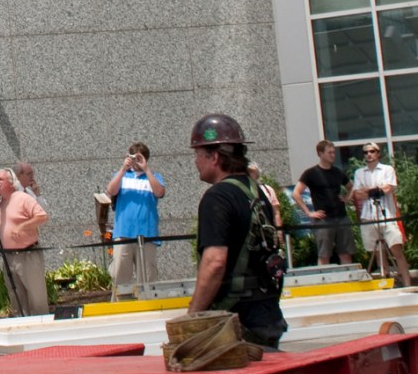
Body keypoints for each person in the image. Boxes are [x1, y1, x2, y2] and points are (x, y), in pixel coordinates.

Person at [186, 112, 287, 348]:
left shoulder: (217, 197)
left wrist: (193, 318)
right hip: (266, 315)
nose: (195, 161)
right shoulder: (256, 191)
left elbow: (214, 262)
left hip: (238, 325)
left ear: (214, 157)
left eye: (198, 154)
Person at [102, 144, 164, 298]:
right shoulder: (121, 175)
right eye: (133, 158)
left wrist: (146, 169)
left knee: (148, 277)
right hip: (124, 233)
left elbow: (159, 192)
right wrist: (124, 169)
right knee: (120, 276)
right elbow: (111, 190)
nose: (136, 162)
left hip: (147, 235)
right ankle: (121, 305)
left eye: (139, 158)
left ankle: (148, 304)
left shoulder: (154, 177)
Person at [0, 166, 49, 317]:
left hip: (28, 255)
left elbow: (42, 216)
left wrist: (23, 226)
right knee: (17, 300)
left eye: (1, 179)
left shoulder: (23, 198)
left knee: (36, 299)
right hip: (9, 258)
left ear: (11, 182)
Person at [352, 141, 410, 289]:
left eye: (372, 151)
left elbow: (386, 189)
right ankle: (386, 282)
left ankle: (407, 284)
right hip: (368, 215)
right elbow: (358, 195)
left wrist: (369, 190)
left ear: (378, 153)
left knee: (396, 250)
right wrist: (375, 190)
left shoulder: (387, 169)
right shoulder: (359, 172)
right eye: (366, 152)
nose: (369, 154)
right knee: (377, 253)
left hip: (387, 214)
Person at [296, 140, 352, 266]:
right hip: (323, 219)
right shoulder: (310, 173)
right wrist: (308, 212)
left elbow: (351, 186)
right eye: (329, 152)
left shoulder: (338, 171)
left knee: (345, 253)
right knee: (324, 254)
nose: (333, 155)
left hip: (341, 217)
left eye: (334, 152)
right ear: (320, 153)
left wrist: (347, 198)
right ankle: (325, 282)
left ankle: (348, 282)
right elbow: (296, 193)